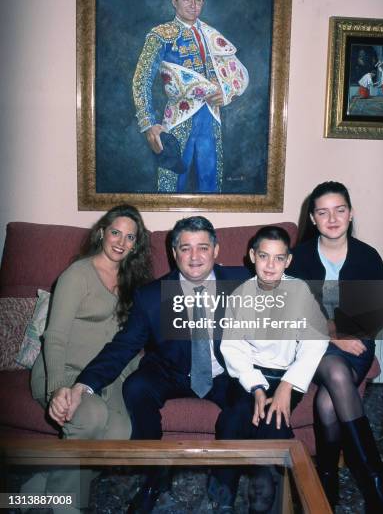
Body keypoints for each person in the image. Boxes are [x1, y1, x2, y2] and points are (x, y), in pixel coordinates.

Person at [60, 216, 250, 513]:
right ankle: (155, 473)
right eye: (185, 248)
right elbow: (122, 347)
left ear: (216, 250)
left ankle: (225, 483)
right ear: (174, 254)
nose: (195, 257)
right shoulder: (151, 296)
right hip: (170, 371)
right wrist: (83, 385)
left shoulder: (242, 283)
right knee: (137, 386)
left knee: (246, 398)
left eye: (203, 247)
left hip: (225, 373)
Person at [28, 204, 152, 514]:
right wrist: (57, 387)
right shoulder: (77, 274)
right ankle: (65, 506)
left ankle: (49, 479)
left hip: (104, 375)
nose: (121, 242)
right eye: (115, 233)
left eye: (130, 237)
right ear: (101, 232)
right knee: (90, 416)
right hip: (62, 370)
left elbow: (128, 343)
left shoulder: (133, 281)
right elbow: (54, 336)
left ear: (136, 244)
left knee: (120, 434)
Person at [286, 181, 383, 512]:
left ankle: (327, 479)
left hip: (358, 347)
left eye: (339, 210)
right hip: (313, 348)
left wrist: (345, 334)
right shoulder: (300, 258)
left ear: (350, 214)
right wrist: (334, 336)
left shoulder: (367, 257)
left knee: (328, 404)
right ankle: (376, 485)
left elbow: (375, 315)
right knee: (334, 368)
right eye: (323, 212)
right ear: (313, 218)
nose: (332, 219)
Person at [208, 226, 328, 512]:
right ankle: (223, 494)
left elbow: (316, 341)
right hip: (250, 376)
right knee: (234, 418)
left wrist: (288, 386)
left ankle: (263, 501)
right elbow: (233, 347)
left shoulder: (299, 292)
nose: (270, 265)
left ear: (288, 261)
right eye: (264, 256)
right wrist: (256, 387)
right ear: (252, 256)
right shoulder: (240, 295)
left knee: (272, 425)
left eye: (278, 258)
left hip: (287, 377)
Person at [132, 0, 249, 193]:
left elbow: (231, 74)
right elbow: (141, 79)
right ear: (174, 1)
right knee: (172, 182)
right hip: (178, 117)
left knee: (211, 182)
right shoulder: (161, 35)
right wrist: (148, 124)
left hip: (211, 117)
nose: (193, 5)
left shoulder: (210, 34)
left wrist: (226, 92)